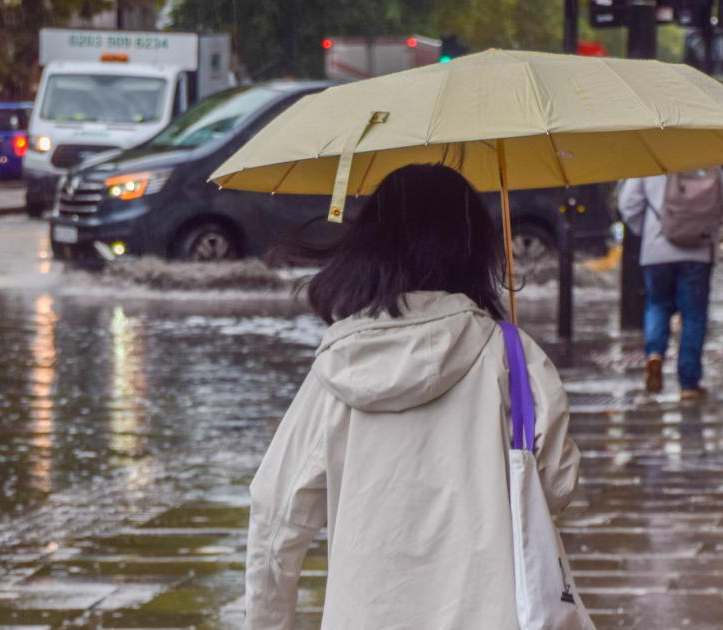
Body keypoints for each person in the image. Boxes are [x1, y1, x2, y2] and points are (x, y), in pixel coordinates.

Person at [245, 164, 585, 628]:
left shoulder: (338, 366)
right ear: (472, 248)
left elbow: (276, 511)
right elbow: (557, 486)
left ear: (372, 247)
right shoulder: (511, 357)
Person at [618, 172, 723, 399]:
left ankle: (655, 354)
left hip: (657, 250)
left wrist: (649, 230)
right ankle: (689, 384)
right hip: (698, 249)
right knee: (693, 316)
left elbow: (628, 204)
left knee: (657, 305)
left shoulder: (649, 159)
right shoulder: (708, 157)